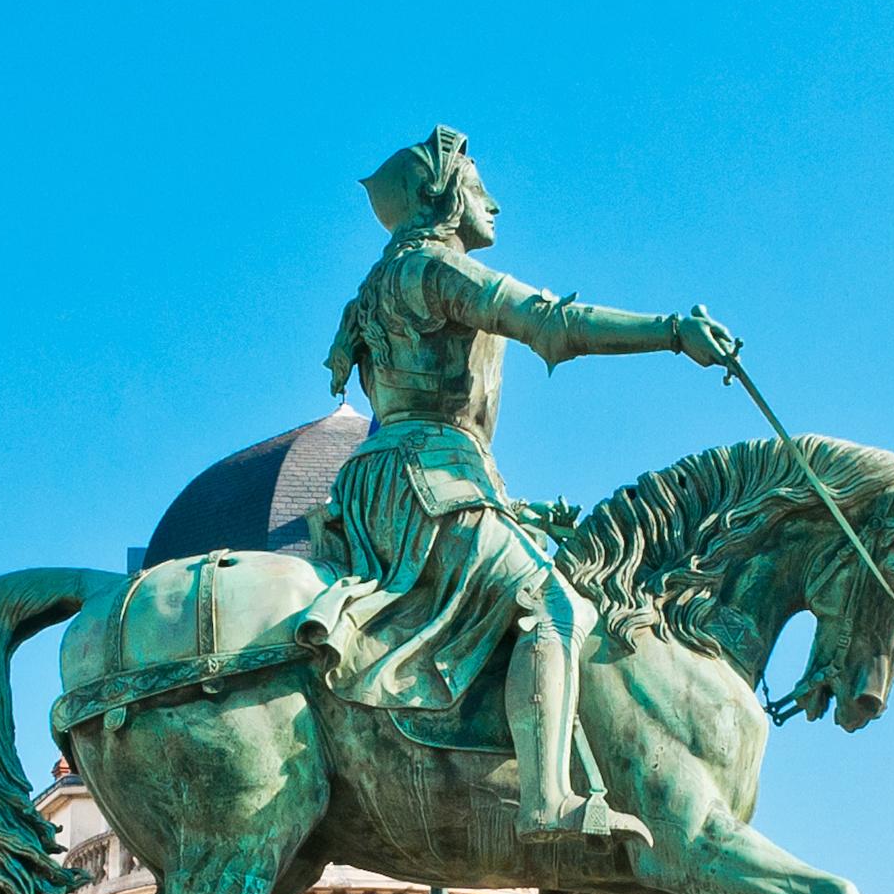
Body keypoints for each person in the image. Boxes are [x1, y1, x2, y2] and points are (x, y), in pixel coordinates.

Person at [316, 126, 738, 853]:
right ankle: (548, 802)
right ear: (443, 197)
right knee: (553, 605)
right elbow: (552, 323)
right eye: (480, 189)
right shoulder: (436, 271)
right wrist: (672, 333)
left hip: (378, 482)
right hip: (430, 479)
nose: (495, 204)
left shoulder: (372, 289)